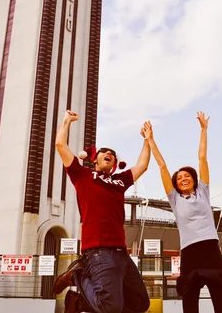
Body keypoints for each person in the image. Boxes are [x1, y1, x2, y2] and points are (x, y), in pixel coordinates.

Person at [52, 110, 151, 313]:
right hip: (98, 250)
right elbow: (60, 145)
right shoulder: (82, 175)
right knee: (110, 307)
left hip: (121, 253)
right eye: (105, 152)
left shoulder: (119, 181)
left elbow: (142, 165)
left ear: (114, 163)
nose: (110, 154)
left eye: (113, 154)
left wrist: (147, 140)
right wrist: (66, 121)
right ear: (94, 159)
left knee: (140, 303)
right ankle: (78, 275)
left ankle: (80, 301)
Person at [142, 112, 222, 313]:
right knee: (189, 298)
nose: (183, 178)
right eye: (179, 178)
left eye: (187, 176)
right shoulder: (174, 199)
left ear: (194, 179)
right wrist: (150, 140)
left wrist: (203, 130)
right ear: (175, 184)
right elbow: (162, 166)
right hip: (190, 251)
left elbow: (202, 157)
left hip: (210, 248)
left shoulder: (203, 192)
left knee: (219, 297)